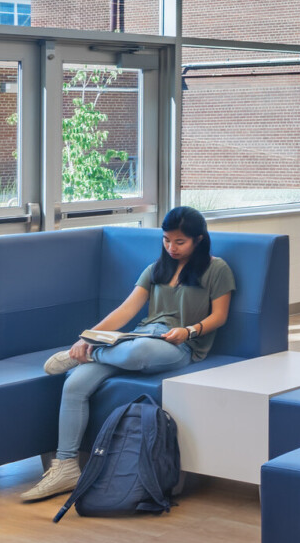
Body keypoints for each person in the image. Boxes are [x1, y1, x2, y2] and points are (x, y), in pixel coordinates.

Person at [20, 206, 234, 502]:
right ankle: (67, 466)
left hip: (180, 346)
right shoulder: (156, 269)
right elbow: (126, 310)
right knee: (75, 384)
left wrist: (190, 331)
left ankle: (91, 354)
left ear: (199, 240)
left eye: (179, 242)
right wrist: (86, 337)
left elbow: (220, 316)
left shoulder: (217, 269)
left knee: (139, 352)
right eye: (166, 240)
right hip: (136, 339)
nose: (171, 248)